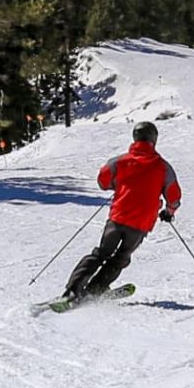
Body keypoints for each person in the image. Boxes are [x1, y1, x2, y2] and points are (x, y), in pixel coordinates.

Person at [62, 121, 180, 304]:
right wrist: (169, 211)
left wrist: (117, 186)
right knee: (121, 257)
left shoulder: (119, 161)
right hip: (141, 223)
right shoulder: (163, 167)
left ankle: (72, 290)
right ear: (154, 140)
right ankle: (96, 289)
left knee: (101, 253)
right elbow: (173, 195)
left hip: (118, 217)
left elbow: (103, 180)